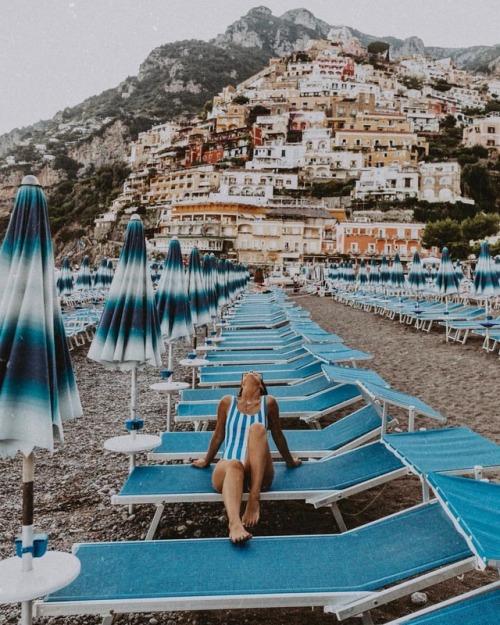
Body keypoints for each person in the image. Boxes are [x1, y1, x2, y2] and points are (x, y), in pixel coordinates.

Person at [192, 370, 301, 543]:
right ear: (241, 384)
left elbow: (278, 435)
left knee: (257, 428)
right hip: (229, 470)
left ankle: (254, 497)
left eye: (256, 373)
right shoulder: (227, 402)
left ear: (261, 385)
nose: (251, 372)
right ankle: (234, 524)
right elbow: (218, 435)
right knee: (234, 463)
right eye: (247, 373)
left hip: (258, 472)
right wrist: (206, 460)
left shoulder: (269, 403)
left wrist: (290, 461)